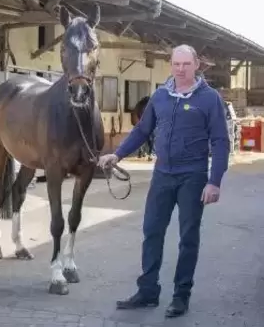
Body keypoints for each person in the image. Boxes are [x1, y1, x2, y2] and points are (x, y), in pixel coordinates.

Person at [98, 44, 230, 318]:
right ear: (170, 65)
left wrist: (214, 181)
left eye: (186, 64)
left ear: (196, 65)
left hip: (193, 177)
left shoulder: (209, 99)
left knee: (188, 238)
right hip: (162, 174)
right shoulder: (160, 96)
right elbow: (142, 130)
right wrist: (118, 154)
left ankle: (181, 295)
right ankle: (148, 291)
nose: (181, 69)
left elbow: (220, 142)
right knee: (152, 232)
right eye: (176, 64)